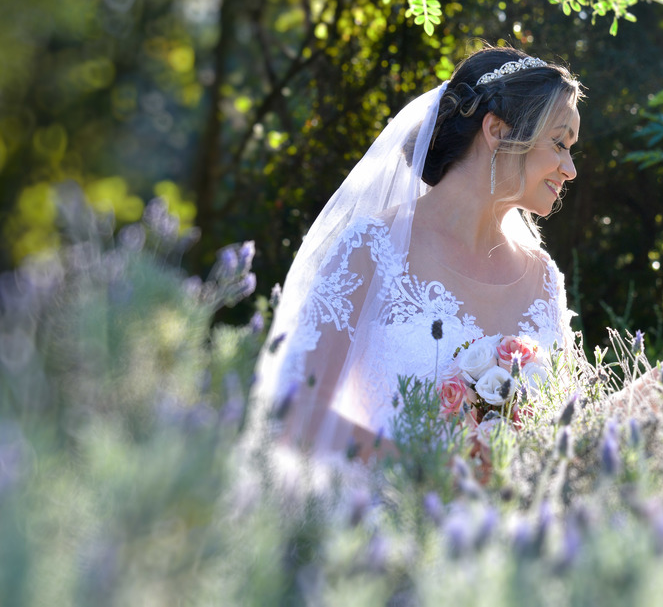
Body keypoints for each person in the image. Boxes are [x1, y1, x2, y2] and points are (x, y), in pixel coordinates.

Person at [246, 45, 583, 463]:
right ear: (496, 130)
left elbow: (571, 433)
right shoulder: (372, 248)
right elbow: (294, 411)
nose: (570, 169)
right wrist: (430, 471)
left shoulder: (544, 279)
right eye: (558, 143)